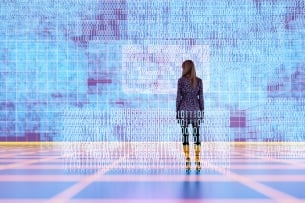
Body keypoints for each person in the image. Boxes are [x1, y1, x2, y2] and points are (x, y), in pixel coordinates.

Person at [176, 60, 204, 173]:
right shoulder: (199, 81)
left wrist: (177, 111)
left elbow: (178, 97)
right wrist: (202, 112)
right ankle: (197, 161)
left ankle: (187, 161)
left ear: (185, 68)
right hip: (196, 110)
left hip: (184, 110)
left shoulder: (181, 81)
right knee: (196, 135)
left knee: (185, 135)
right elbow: (201, 98)